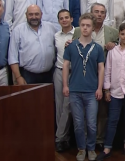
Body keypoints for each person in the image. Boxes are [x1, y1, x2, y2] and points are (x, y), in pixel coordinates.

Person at [72, 3, 119, 150]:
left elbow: (120, 48)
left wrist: (114, 45)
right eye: (96, 12)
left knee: (102, 110)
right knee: (82, 112)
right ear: (91, 14)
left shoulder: (112, 32)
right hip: (83, 74)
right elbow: (74, 47)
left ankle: (98, 139)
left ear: (105, 15)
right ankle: (83, 141)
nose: (99, 15)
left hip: (104, 72)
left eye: (102, 12)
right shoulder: (79, 30)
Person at [96, 23, 125, 160]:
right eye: (122, 34)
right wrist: (106, 89)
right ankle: (107, 148)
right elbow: (107, 71)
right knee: (112, 120)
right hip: (115, 91)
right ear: (119, 35)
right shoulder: (112, 51)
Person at [62, 13, 105, 161]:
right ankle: (81, 148)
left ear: (93, 28)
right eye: (83, 25)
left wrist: (100, 88)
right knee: (79, 124)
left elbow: (101, 69)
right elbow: (66, 66)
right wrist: (65, 85)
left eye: (88, 26)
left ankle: (91, 148)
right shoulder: (72, 46)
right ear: (80, 26)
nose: (85, 28)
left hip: (91, 91)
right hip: (74, 90)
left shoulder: (97, 48)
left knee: (92, 123)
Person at [8, 5, 56, 85]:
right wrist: (18, 77)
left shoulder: (50, 27)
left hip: (49, 75)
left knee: (48, 98)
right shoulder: (18, 30)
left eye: (36, 14)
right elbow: (12, 57)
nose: (34, 17)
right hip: (27, 75)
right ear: (26, 15)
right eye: (30, 14)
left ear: (41, 14)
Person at [54, 9, 75, 152]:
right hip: (59, 71)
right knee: (59, 106)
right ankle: (64, 139)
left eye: (66, 17)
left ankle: (59, 137)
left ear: (71, 19)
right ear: (59, 21)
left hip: (74, 72)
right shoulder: (56, 35)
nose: (64, 20)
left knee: (68, 106)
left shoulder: (78, 33)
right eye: (61, 18)